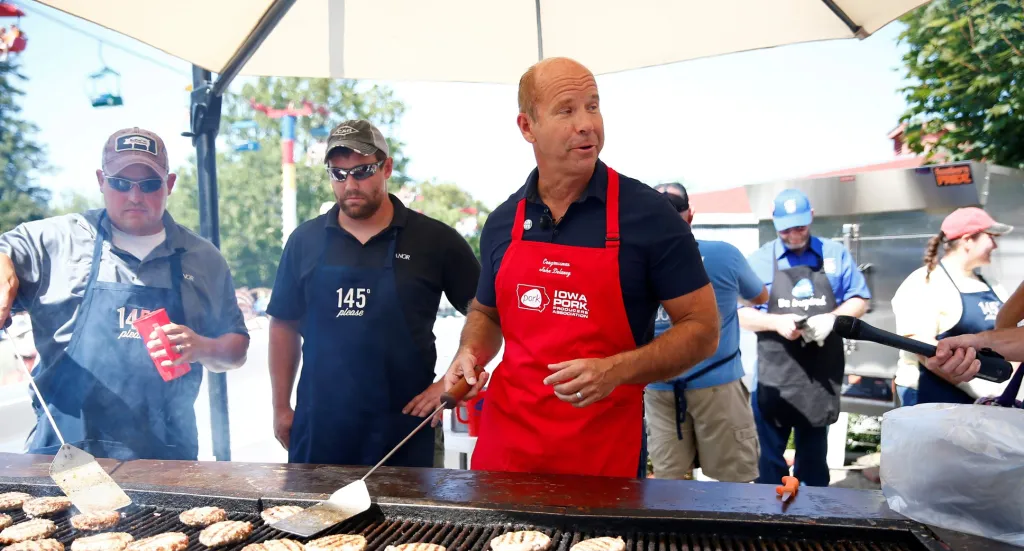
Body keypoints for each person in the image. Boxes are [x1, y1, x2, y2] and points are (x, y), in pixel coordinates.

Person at [443, 58, 719, 478]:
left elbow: (702, 329)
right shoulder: (503, 222)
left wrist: (616, 369)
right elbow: (485, 313)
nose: (587, 123)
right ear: (527, 127)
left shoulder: (648, 216)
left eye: (593, 106)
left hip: (602, 462)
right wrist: (470, 352)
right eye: (566, 109)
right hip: (506, 456)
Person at [0, 127, 249, 460]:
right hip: (62, 456)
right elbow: (6, 251)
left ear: (170, 184)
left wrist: (202, 346)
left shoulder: (202, 258)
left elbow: (236, 349)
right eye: (120, 183)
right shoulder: (58, 241)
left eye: (149, 185)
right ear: (102, 180)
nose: (134, 196)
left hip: (167, 461)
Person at [268, 120, 480, 466]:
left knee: (405, 523)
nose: (350, 184)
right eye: (338, 174)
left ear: (387, 167)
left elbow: (487, 313)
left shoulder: (434, 241)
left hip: (404, 431)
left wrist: (449, 380)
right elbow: (283, 325)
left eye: (362, 171)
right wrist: (280, 408)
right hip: (320, 429)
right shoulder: (304, 241)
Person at [739, 189, 870, 487]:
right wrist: (775, 322)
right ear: (774, 223)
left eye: (800, 226)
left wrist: (831, 319)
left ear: (811, 217)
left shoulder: (834, 254)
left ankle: (813, 524)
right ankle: (768, 525)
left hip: (820, 376)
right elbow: (740, 314)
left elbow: (860, 298)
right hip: (775, 377)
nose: (794, 234)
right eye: (786, 228)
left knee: (813, 461)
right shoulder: (759, 261)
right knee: (768, 461)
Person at [645, 186, 768, 482]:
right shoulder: (725, 254)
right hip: (718, 386)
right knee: (732, 484)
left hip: (659, 388)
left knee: (668, 484)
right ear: (690, 215)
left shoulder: (632, 261)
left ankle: (670, 530)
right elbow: (760, 296)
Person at [891, 208, 1012, 406]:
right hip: (932, 399)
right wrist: (977, 387)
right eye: (991, 237)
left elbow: (1007, 336)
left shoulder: (991, 284)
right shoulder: (926, 281)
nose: (995, 245)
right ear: (967, 240)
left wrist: (1006, 386)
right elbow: (921, 346)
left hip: (987, 400)